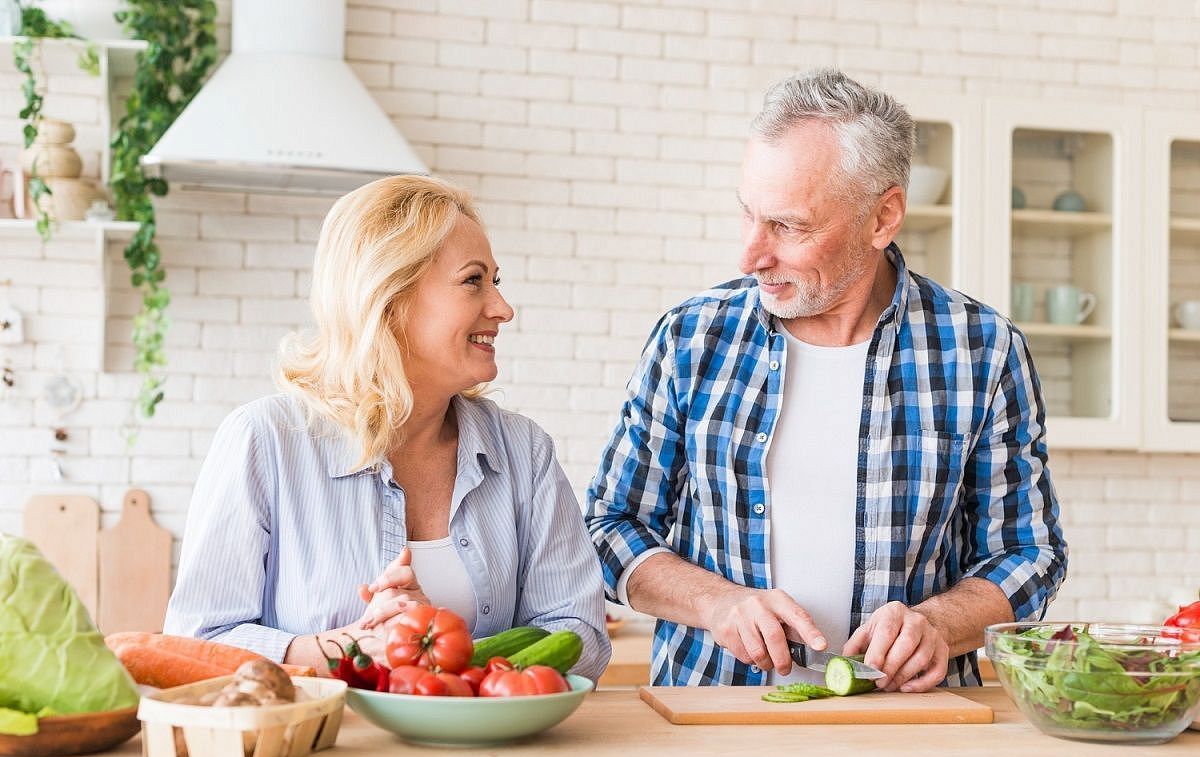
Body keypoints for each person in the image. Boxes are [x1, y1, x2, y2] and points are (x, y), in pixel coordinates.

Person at [586, 68, 1067, 690]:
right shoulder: (690, 340)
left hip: (912, 728)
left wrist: (939, 624)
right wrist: (715, 602)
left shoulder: (982, 349)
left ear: (882, 217)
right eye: (748, 216)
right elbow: (610, 528)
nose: (751, 255)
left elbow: (1029, 554)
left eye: (788, 226)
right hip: (715, 713)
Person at [164, 175, 610, 682]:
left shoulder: (525, 453)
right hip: (323, 756)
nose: (502, 309)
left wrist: (435, 647)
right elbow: (194, 643)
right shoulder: (264, 442)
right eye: (473, 281)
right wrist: (344, 649)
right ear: (390, 298)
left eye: (496, 282)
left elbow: (583, 640)